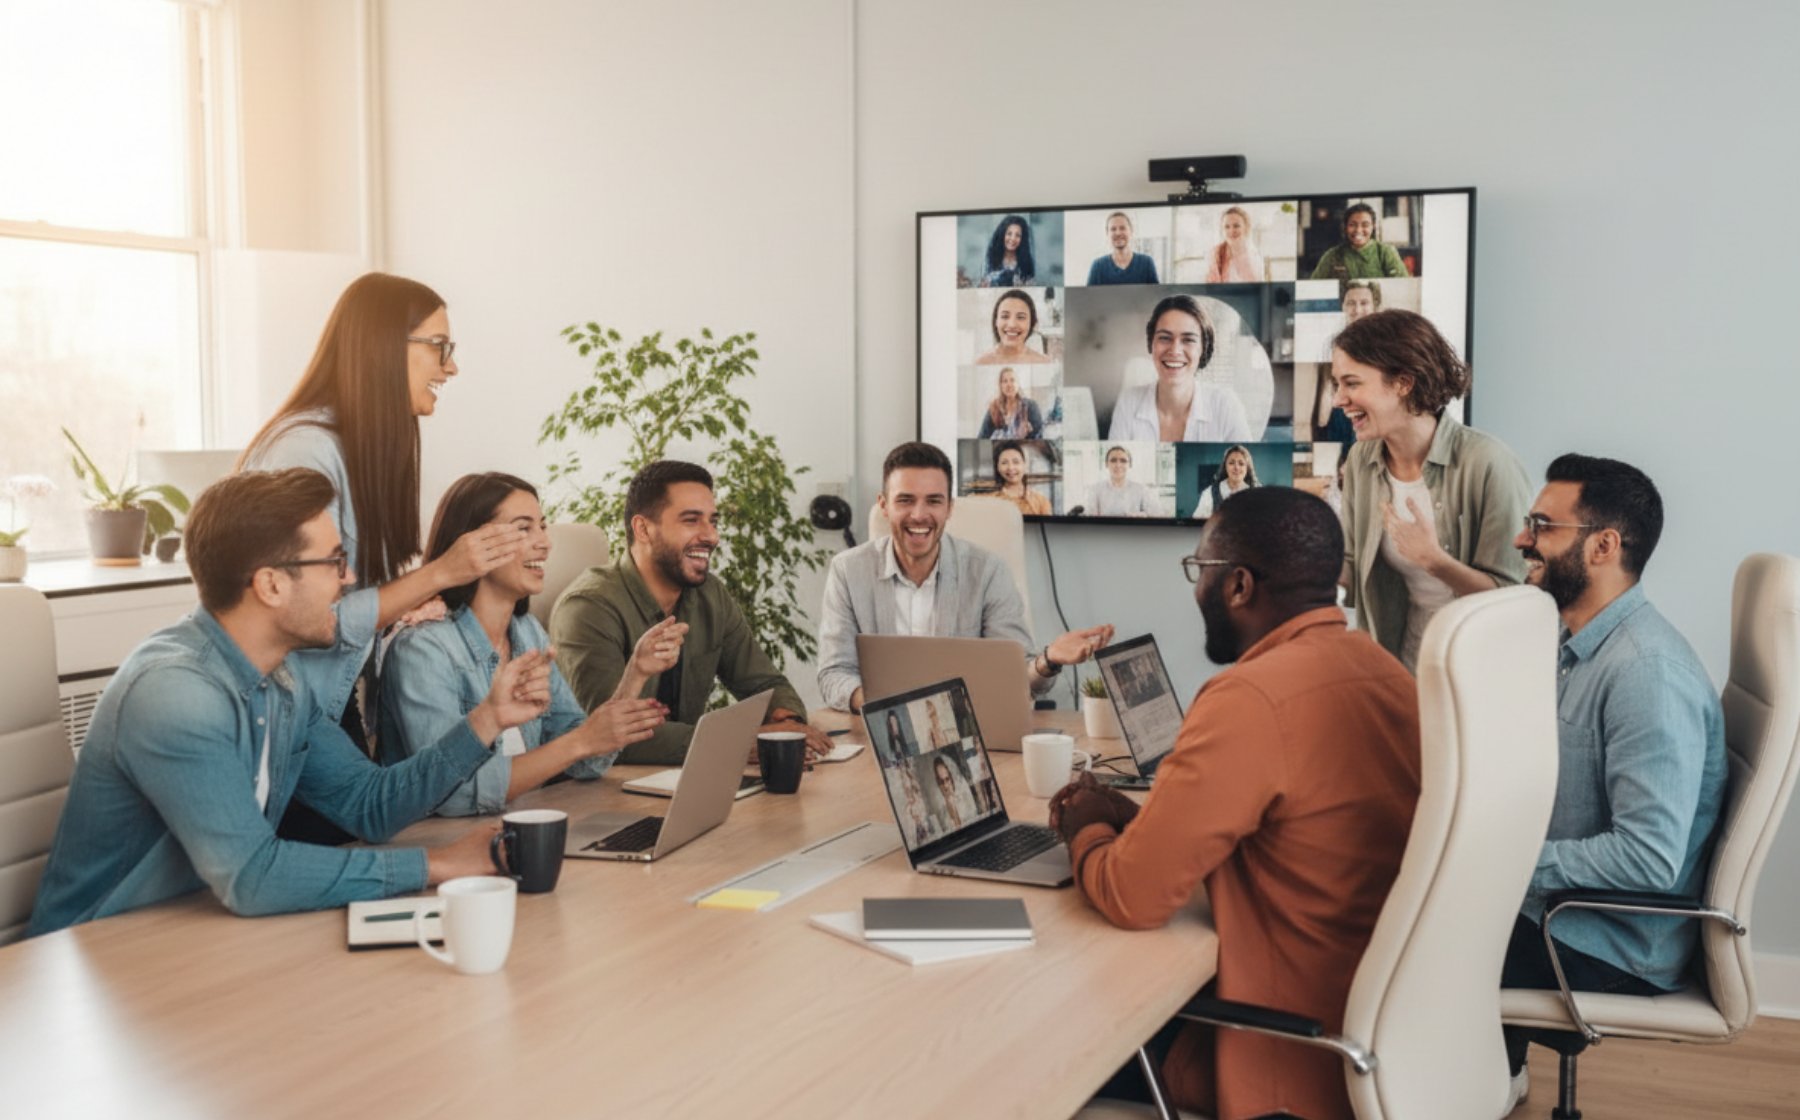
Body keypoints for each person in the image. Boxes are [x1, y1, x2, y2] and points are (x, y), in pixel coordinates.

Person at [27, 469, 543, 936]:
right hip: (97, 956)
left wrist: (486, 721)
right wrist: (438, 866)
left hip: (202, 934)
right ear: (271, 585)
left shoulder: (281, 678)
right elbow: (251, 877)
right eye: (334, 562)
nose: (347, 579)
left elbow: (370, 806)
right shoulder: (175, 693)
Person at [1048, 487, 1421, 1120]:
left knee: (1047, 1043)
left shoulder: (1247, 697)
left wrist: (1084, 827)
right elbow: (1294, 834)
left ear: (1239, 585)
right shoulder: (1387, 673)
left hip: (1285, 1054)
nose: (1195, 590)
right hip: (1389, 1044)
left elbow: (1134, 898)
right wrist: (1145, 821)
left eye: (1200, 570)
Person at [1499, 455, 1727, 1107]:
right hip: (1566, 917)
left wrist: (1506, 865)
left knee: (1393, 943)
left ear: (1603, 545)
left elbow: (1650, 857)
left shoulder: (1645, 673)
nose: (1522, 539)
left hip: (1606, 944)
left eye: (1542, 525)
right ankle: (1489, 1074)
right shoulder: (1578, 648)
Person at [238, 273, 527, 742]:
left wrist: (410, 601)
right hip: (276, 713)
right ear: (386, 347)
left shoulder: (360, 450)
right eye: (439, 346)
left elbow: (346, 599)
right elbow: (306, 614)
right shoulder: (305, 452)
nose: (449, 368)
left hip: (323, 700)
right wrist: (440, 573)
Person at [378, 473, 677, 815]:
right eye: (524, 528)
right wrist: (579, 743)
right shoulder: (423, 649)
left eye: (542, 526)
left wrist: (634, 674)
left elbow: (585, 761)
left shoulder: (526, 631)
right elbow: (453, 796)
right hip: (440, 845)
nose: (545, 543)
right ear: (472, 543)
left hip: (520, 824)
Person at [549, 460, 832, 765]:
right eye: (691, 521)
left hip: (682, 779)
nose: (712, 537)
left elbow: (764, 684)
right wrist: (737, 742)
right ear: (643, 529)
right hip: (597, 794)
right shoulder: (588, 607)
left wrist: (786, 724)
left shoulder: (710, 594)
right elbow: (611, 738)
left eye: (713, 521)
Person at [816, 441, 1114, 713]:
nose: (919, 515)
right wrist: (891, 708)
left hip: (972, 731)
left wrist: (1048, 660)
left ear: (949, 507)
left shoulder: (987, 570)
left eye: (933, 501)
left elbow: (1015, 675)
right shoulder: (847, 571)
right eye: (905, 500)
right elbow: (834, 674)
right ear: (883, 505)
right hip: (883, 731)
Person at [1335, 308, 1532, 673]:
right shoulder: (1362, 459)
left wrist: (1434, 561)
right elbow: (1348, 562)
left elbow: (1516, 598)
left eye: (1352, 383)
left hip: (1480, 673)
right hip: (1402, 663)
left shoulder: (1488, 463)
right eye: (1337, 384)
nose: (1338, 399)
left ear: (1403, 383)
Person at [1107, 294, 1253, 443]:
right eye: (1165, 338)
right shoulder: (1129, 402)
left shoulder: (1225, 405)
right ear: (1152, 343)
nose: (1175, 350)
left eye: (1188, 340)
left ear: (1203, 348)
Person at [1312, 280, 1381, 440]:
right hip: (1341, 417)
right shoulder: (1332, 344)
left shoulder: (1386, 345)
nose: (1357, 310)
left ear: (1374, 307)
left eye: (1364, 303)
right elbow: (1325, 388)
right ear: (1343, 307)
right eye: (1351, 303)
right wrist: (1323, 421)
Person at [1309, 203, 1410, 280]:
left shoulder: (1386, 252)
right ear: (1345, 227)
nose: (1358, 230)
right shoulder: (1332, 255)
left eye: (1365, 225)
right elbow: (1314, 286)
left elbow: (1402, 285)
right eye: (1352, 225)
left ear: (1373, 226)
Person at [976, 289, 1054, 366]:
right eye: (1005, 316)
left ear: (1032, 323)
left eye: (1020, 317)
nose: (1012, 325)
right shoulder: (980, 362)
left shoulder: (1045, 362)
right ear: (996, 321)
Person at [1082, 445, 1163, 517]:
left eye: (1123, 461)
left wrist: (1142, 515)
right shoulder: (1096, 489)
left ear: (1130, 464)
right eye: (1113, 460)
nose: (1118, 465)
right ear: (1107, 464)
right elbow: (1088, 516)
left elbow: (1159, 515)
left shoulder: (1141, 490)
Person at [1086, 211, 1159, 285]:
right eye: (1113, 229)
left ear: (1131, 231)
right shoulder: (1098, 267)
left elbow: (1157, 295)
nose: (1118, 233)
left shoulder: (1146, 263)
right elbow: (1088, 296)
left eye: (1122, 228)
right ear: (1107, 234)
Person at [1191, 444, 1259, 519]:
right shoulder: (1209, 493)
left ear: (1247, 468)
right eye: (1231, 463)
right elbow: (1197, 522)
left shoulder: (1255, 495)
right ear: (1225, 466)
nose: (1236, 467)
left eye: (1241, 463)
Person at [977, 366, 1044, 439]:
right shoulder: (994, 408)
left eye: (1012, 380)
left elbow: (1039, 435)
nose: (1009, 385)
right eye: (1005, 381)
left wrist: (1028, 432)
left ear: (1018, 384)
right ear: (1000, 385)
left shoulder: (1031, 406)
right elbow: (982, 437)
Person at [1203, 206, 1263, 283]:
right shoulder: (1215, 253)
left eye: (1236, 226)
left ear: (1246, 228)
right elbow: (1210, 287)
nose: (1231, 231)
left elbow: (1257, 289)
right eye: (1227, 227)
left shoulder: (1254, 256)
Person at [992, 441, 1053, 516]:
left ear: (1024, 465)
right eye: (1004, 463)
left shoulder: (1042, 502)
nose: (1011, 468)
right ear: (997, 467)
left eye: (1016, 462)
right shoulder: (992, 501)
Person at [979, 215, 1036, 287]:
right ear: (1002, 234)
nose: (1013, 239)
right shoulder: (990, 259)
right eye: (1009, 234)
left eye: (1018, 235)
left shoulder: (1026, 263)